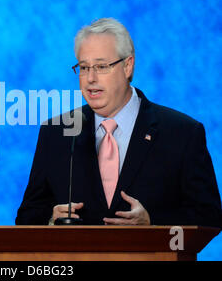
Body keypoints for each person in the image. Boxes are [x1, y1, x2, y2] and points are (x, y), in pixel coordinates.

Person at [16, 18, 222, 228]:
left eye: (101, 66)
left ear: (127, 66)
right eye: (84, 67)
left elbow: (209, 216)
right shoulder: (57, 133)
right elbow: (26, 218)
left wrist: (153, 223)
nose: (90, 78)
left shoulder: (182, 133)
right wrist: (50, 219)